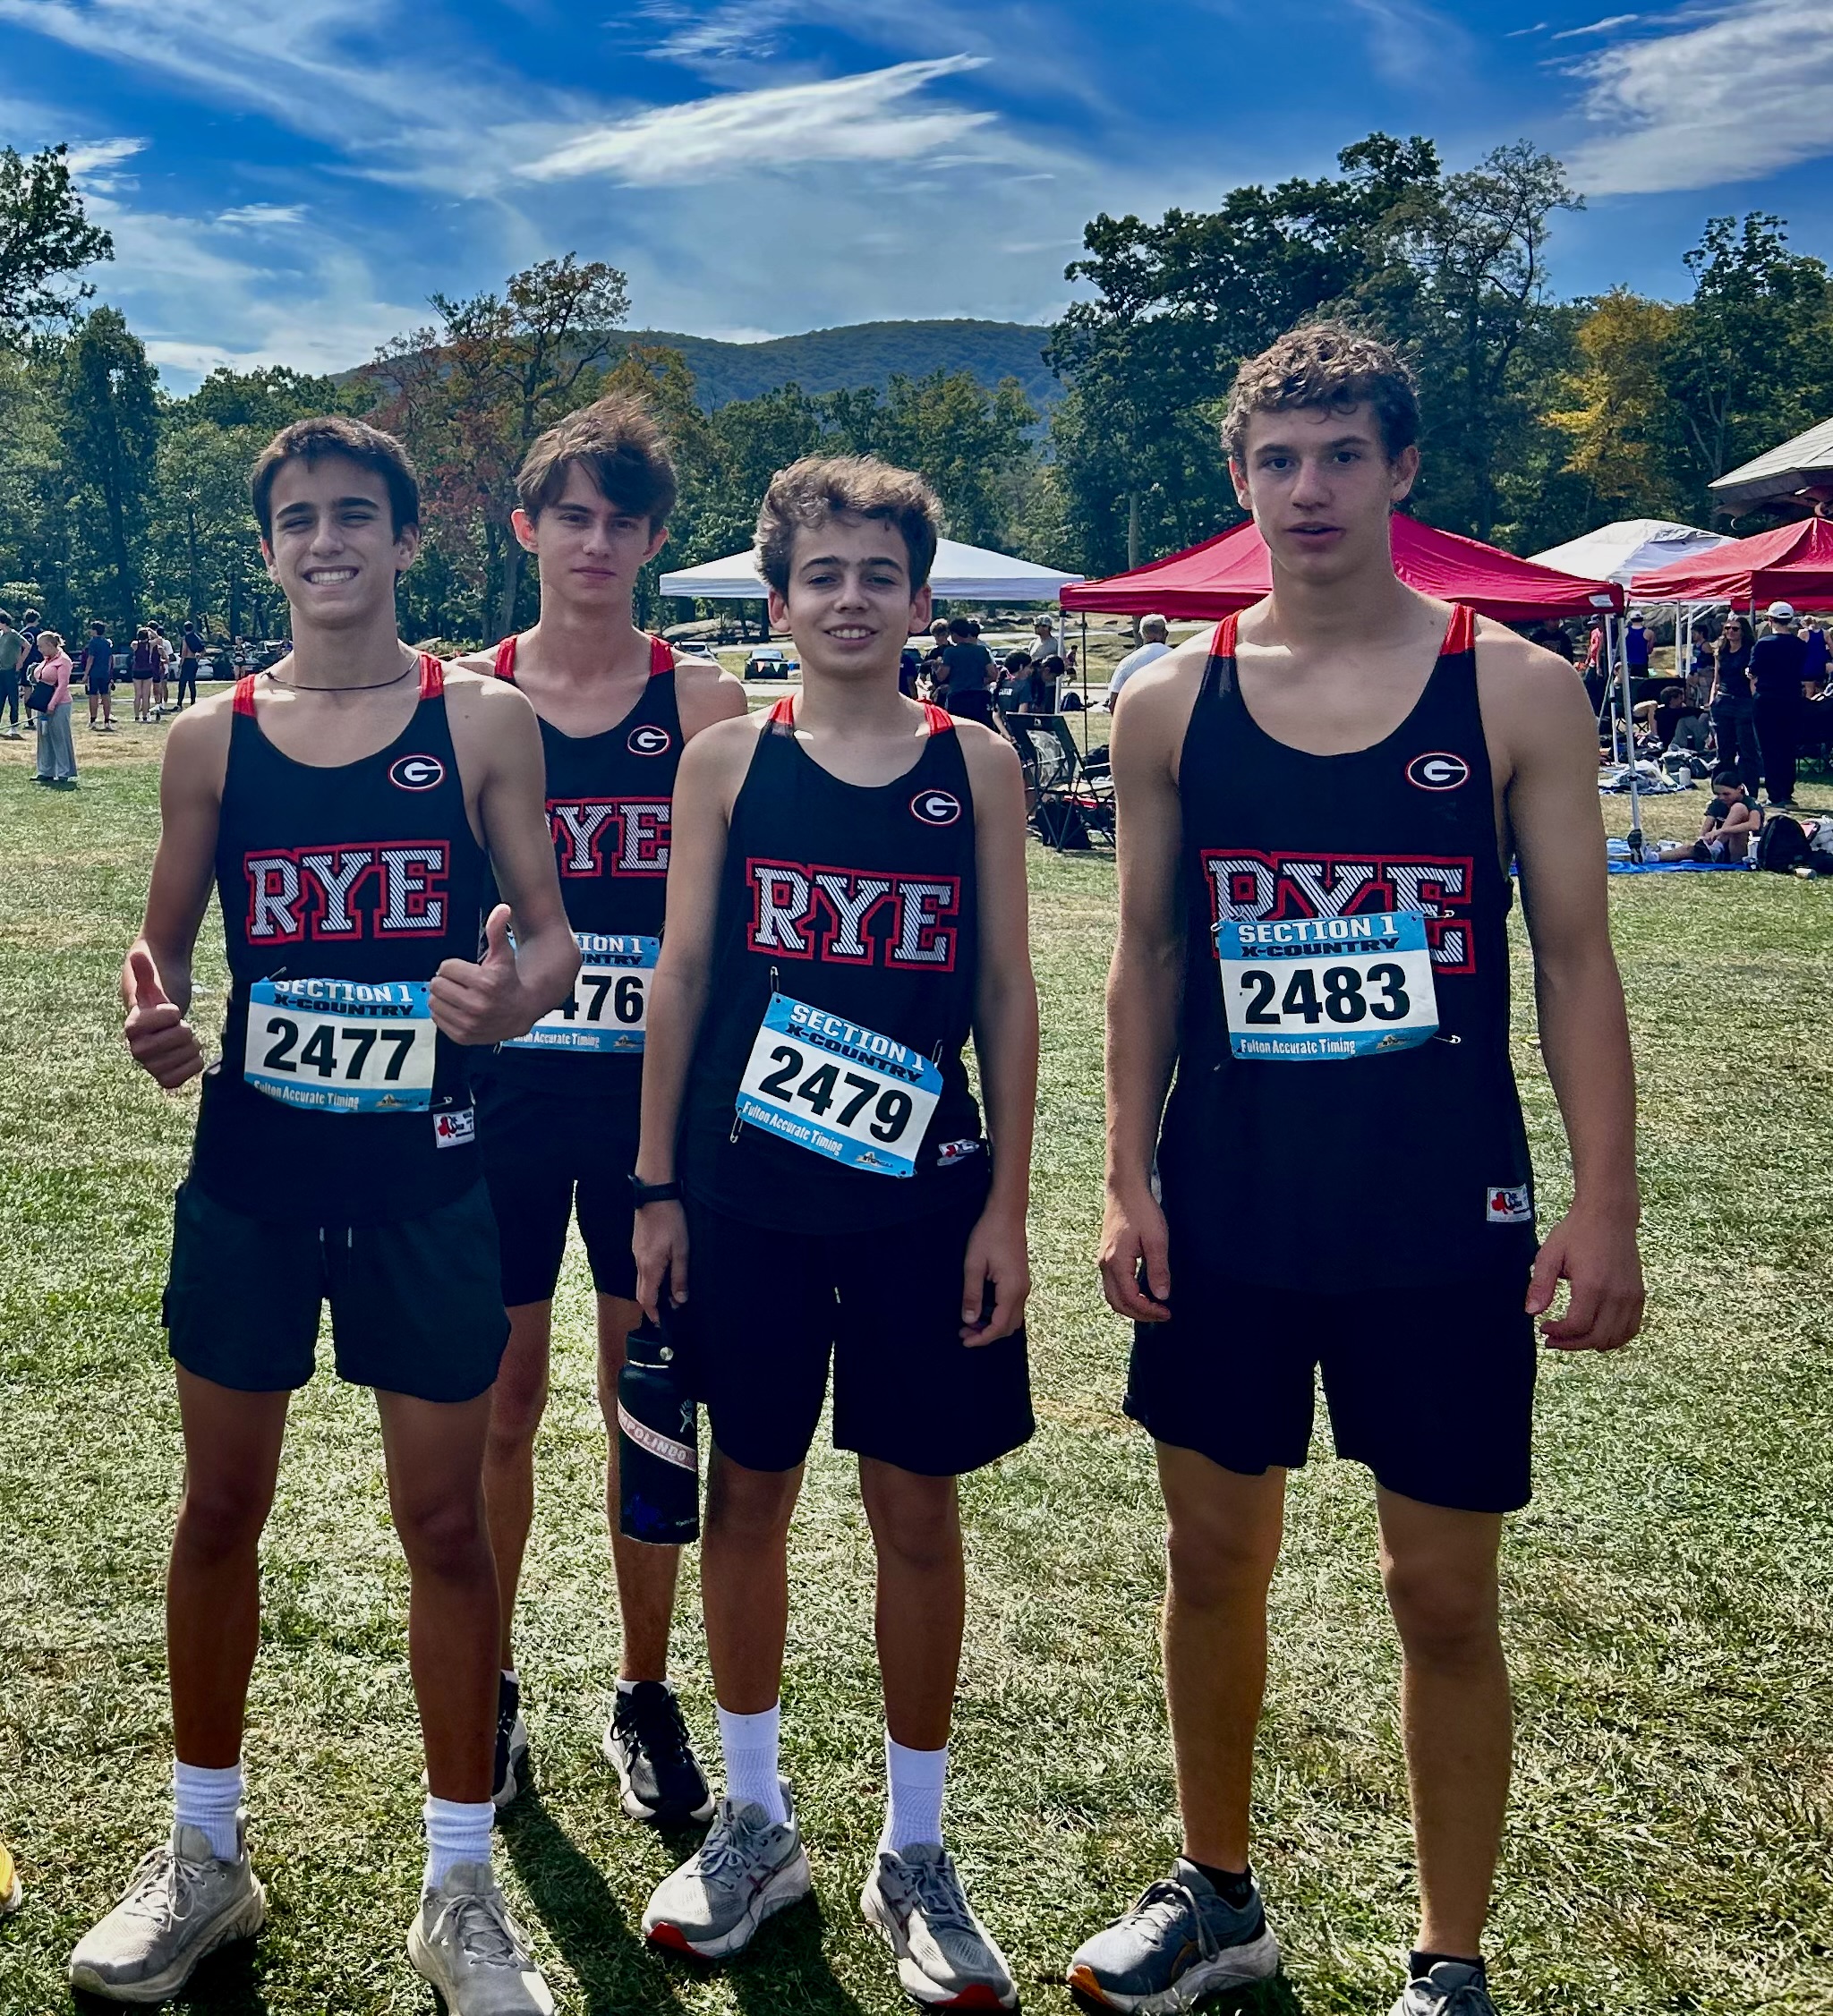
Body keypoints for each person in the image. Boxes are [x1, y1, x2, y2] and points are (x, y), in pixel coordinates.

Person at [1071, 324, 1643, 2016]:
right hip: (1232, 1201)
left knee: (1439, 1590)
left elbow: (1574, 963)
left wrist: (1600, 1199)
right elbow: (1150, 956)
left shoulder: (1514, 687)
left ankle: (1446, 1959)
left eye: (1338, 455)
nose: (1305, 488)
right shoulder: (1166, 695)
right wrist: (1123, 1177)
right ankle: (1215, 1895)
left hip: (1435, 1212)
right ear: (1235, 479)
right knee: (1209, 1557)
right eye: (1275, 459)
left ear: (1400, 470)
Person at [71, 415, 579, 2016]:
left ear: (409, 538)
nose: (325, 541)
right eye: (295, 520)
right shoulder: (214, 738)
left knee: (445, 1524)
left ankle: (460, 1884)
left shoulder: (480, 719)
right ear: (270, 545)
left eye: (354, 514)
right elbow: (158, 965)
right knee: (219, 1512)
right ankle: (205, 1853)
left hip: (426, 1179)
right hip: (255, 1177)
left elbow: (554, 940)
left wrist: (509, 999)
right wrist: (153, 1026)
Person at [632, 455, 1037, 2008]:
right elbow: (679, 976)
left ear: (920, 598)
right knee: (750, 1492)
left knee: (915, 1512)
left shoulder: (977, 765)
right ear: (779, 597)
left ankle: (914, 1847)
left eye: (880, 571)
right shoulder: (729, 760)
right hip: (747, 1195)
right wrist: (658, 1180)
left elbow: (1002, 990)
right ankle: (753, 1818)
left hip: (921, 1201)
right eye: (823, 573)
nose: (851, 596)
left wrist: (1002, 1195)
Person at [450, 395, 746, 1818]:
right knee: (501, 1401)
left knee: (651, 1403)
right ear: (527, 526)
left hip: (653, 1114)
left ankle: (643, 1691)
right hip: (505, 1103)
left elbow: (732, 928)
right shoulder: (467, 696)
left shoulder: (701, 705)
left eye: (622, 521)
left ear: (652, 541)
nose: (594, 541)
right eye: (569, 514)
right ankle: (491, 1683)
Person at [1751, 600, 1806, 809]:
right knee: (1788, 747)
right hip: (1791, 698)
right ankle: (1787, 792)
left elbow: (1754, 669)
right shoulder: (1799, 645)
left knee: (1768, 747)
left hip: (1767, 698)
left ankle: (1775, 795)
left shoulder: (1764, 644)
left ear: (1770, 619)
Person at [1657, 771, 1760, 862]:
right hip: (1721, 849)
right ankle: (1653, 857)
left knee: (1738, 808)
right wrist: (1703, 841)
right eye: (1718, 794)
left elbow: (1754, 825)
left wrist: (1720, 831)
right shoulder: (1718, 803)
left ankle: (1717, 847)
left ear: (1739, 789)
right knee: (1689, 849)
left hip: (1745, 850)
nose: (1722, 797)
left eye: (1726, 794)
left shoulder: (1749, 803)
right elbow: (1707, 827)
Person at [1709, 614, 1758, 798]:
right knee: (1724, 750)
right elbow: (1716, 678)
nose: (1730, 632)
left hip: (1744, 701)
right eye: (1727, 628)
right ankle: (1723, 790)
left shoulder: (1750, 651)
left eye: (1735, 629)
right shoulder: (1721, 651)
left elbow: (1754, 680)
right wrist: (1712, 699)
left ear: (1743, 632)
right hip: (1723, 700)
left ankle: (1750, 791)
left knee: (1747, 750)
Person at [30, 630, 76, 785]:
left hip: (60, 703)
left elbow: (63, 684)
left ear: (50, 645)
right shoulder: (46, 660)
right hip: (42, 703)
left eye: (41, 646)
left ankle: (64, 772)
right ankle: (45, 770)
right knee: (44, 736)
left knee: (59, 736)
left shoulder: (63, 660)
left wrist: (52, 704)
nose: (39, 649)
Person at [941, 616, 996, 727]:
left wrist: (937, 667)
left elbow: (942, 676)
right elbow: (993, 674)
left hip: (958, 696)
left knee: (959, 730)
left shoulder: (950, 652)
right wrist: (979, 681)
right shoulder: (981, 650)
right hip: (979, 696)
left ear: (954, 634)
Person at [1106, 614, 1172, 707]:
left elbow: (1113, 701)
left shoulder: (1126, 663)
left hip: (1137, 715)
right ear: (1164, 633)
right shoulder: (1178, 657)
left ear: (1141, 634)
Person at [81, 620, 115, 730]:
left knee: (93, 696)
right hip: (104, 673)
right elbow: (110, 658)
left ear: (94, 631)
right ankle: (107, 721)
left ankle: (93, 720)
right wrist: (109, 672)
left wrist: (86, 674)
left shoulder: (93, 642)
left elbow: (91, 659)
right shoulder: (107, 642)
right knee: (106, 696)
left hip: (94, 673)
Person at [0, 608, 28, 738]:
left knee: (13, 699)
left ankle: (14, 727)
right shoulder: (1, 636)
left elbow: (27, 646)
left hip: (11, 670)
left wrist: (20, 661)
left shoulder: (13, 634)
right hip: (1, 671)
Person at [131, 625, 158, 724]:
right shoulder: (150, 644)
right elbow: (159, 639)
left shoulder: (135, 644)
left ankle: (136, 716)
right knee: (146, 695)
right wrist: (150, 630)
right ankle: (145, 716)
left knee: (138, 694)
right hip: (148, 670)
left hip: (137, 670)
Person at [177, 623, 204, 709]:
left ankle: (179, 702)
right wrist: (198, 658)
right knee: (192, 682)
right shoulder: (196, 638)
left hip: (187, 661)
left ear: (185, 629)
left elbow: (184, 652)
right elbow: (203, 650)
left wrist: (181, 663)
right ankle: (193, 701)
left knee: (182, 683)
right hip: (193, 661)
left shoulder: (185, 639)